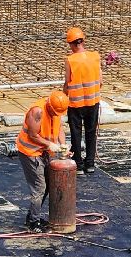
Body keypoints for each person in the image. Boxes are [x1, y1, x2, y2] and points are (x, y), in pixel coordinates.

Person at [15, 90, 68, 230]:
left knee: (48, 185)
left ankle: (32, 216)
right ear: (49, 106)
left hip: (44, 152)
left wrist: (62, 144)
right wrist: (50, 144)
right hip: (30, 152)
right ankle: (33, 223)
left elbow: (59, 128)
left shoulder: (56, 111)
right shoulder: (37, 112)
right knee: (39, 188)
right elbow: (33, 135)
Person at [63, 26, 103, 174]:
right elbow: (100, 81)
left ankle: (78, 165)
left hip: (75, 103)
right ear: (83, 41)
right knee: (91, 132)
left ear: (72, 44)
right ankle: (90, 164)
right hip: (93, 102)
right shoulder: (95, 56)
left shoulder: (70, 60)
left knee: (76, 133)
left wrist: (63, 96)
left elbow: (67, 83)